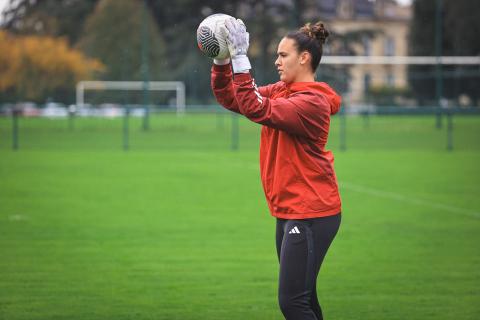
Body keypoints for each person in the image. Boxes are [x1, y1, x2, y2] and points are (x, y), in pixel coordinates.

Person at [211, 18, 342, 320]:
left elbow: (256, 107)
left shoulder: (312, 102)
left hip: (311, 212)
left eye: (283, 55)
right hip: (289, 210)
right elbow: (235, 99)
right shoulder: (283, 91)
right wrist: (221, 61)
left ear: (304, 58)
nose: (277, 61)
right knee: (305, 300)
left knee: (293, 302)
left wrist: (242, 58)